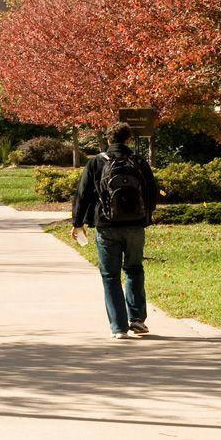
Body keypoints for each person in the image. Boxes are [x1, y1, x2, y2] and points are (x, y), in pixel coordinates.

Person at [71, 122, 157, 339]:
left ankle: (119, 327)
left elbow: (82, 195)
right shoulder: (138, 161)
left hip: (106, 226)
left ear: (108, 140)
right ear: (128, 140)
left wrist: (77, 223)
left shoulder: (97, 162)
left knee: (110, 275)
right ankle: (137, 319)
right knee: (134, 269)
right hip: (135, 226)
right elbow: (152, 192)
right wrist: (145, 216)